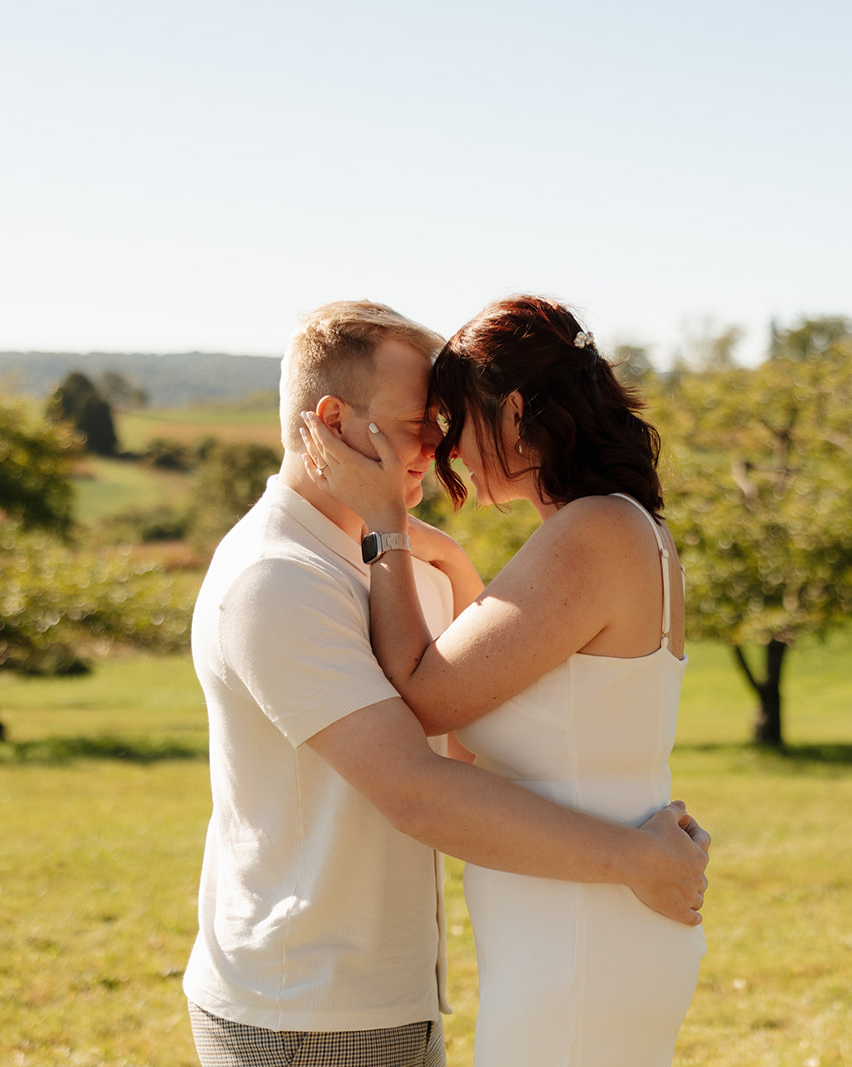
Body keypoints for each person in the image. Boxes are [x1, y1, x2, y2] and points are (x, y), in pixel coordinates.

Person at [182, 300, 709, 1067]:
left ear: (518, 411)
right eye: (419, 424)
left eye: (448, 420)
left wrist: (408, 541)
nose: (443, 444)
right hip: (310, 1002)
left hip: (456, 974)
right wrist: (635, 857)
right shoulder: (280, 579)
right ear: (332, 421)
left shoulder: (405, 568)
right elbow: (422, 783)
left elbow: (450, 736)